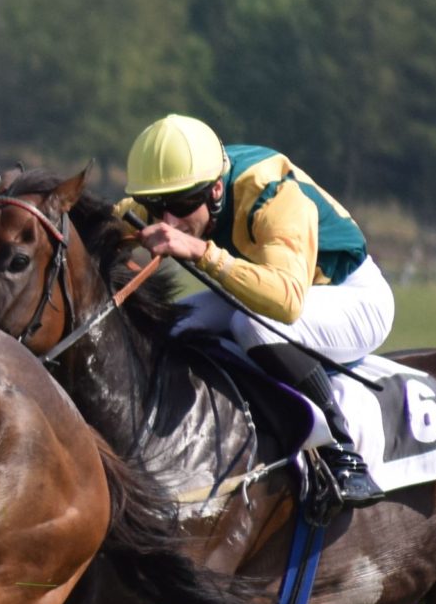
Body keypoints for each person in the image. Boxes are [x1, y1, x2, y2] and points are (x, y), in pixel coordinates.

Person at [125, 112, 390, 507]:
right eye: (154, 206)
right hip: (265, 295)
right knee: (167, 326)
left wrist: (199, 251)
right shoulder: (183, 183)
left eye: (180, 206)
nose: (168, 221)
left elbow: (285, 301)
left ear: (216, 190)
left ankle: (342, 452)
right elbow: (98, 221)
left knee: (252, 326)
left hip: (350, 297)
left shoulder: (272, 196)